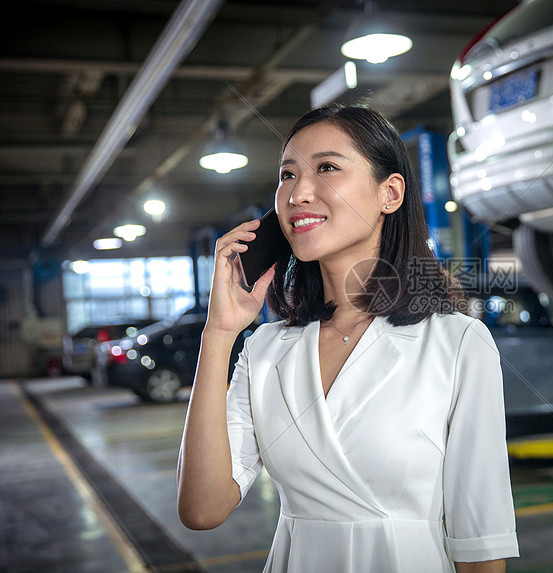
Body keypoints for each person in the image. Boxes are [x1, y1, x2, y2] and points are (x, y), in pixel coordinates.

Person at [177, 103, 518, 572]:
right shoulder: (266, 349)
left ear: (390, 193)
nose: (298, 193)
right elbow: (202, 509)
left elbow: (481, 544)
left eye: (327, 168)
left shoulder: (457, 343)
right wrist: (218, 334)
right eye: (287, 175)